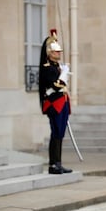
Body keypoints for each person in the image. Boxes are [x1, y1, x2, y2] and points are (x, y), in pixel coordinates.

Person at [38, 29, 73, 175]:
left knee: (60, 134)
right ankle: (53, 164)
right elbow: (56, 85)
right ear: (49, 53)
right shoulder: (47, 68)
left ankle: (58, 163)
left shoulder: (56, 67)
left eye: (59, 52)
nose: (59, 54)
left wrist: (63, 71)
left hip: (62, 102)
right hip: (54, 104)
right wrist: (64, 74)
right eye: (56, 52)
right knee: (56, 132)